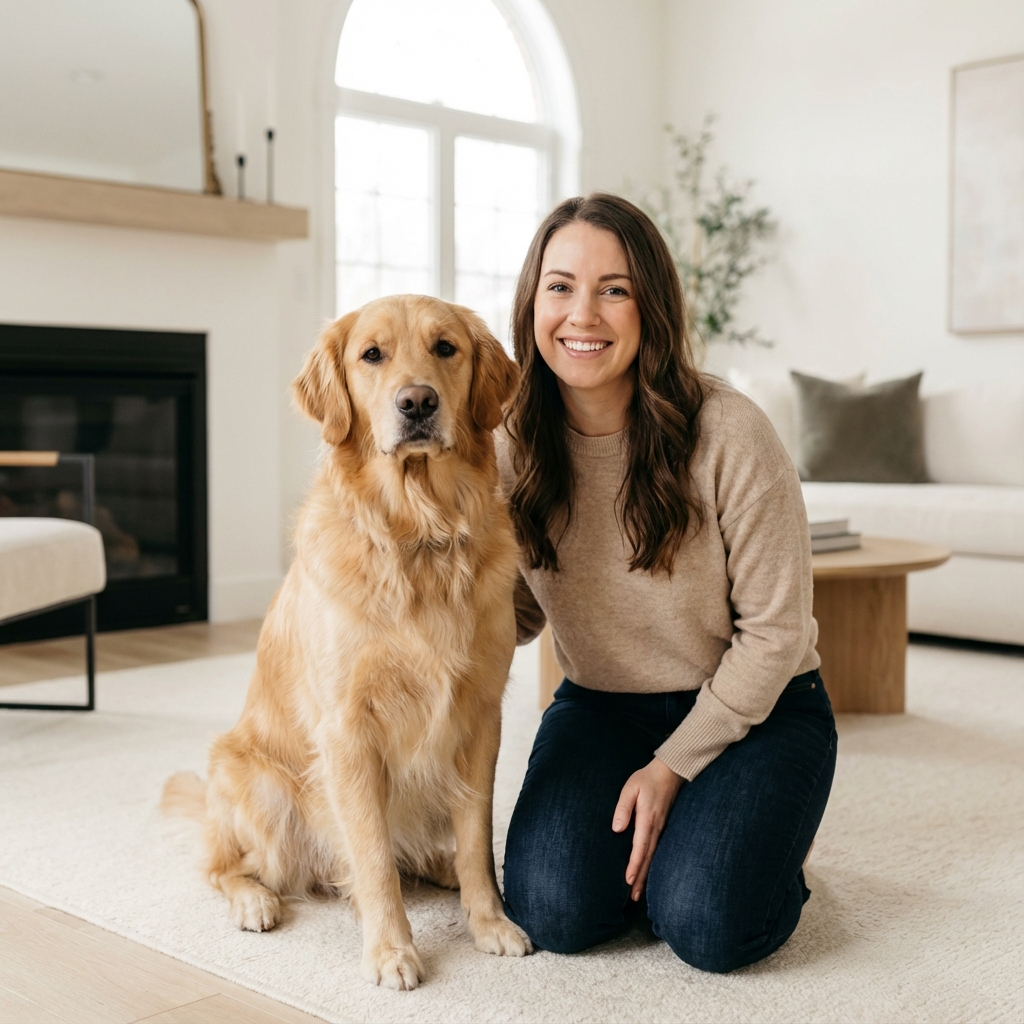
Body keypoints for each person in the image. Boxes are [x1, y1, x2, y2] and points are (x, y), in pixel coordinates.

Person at [497, 193, 836, 973]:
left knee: (709, 926)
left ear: (651, 304)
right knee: (551, 910)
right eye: (560, 286)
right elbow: (513, 610)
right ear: (531, 301)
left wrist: (673, 767)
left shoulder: (730, 430)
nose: (583, 313)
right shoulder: (509, 444)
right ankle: (687, 846)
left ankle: (765, 851)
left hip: (764, 711)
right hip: (601, 708)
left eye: (614, 288)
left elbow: (777, 634)